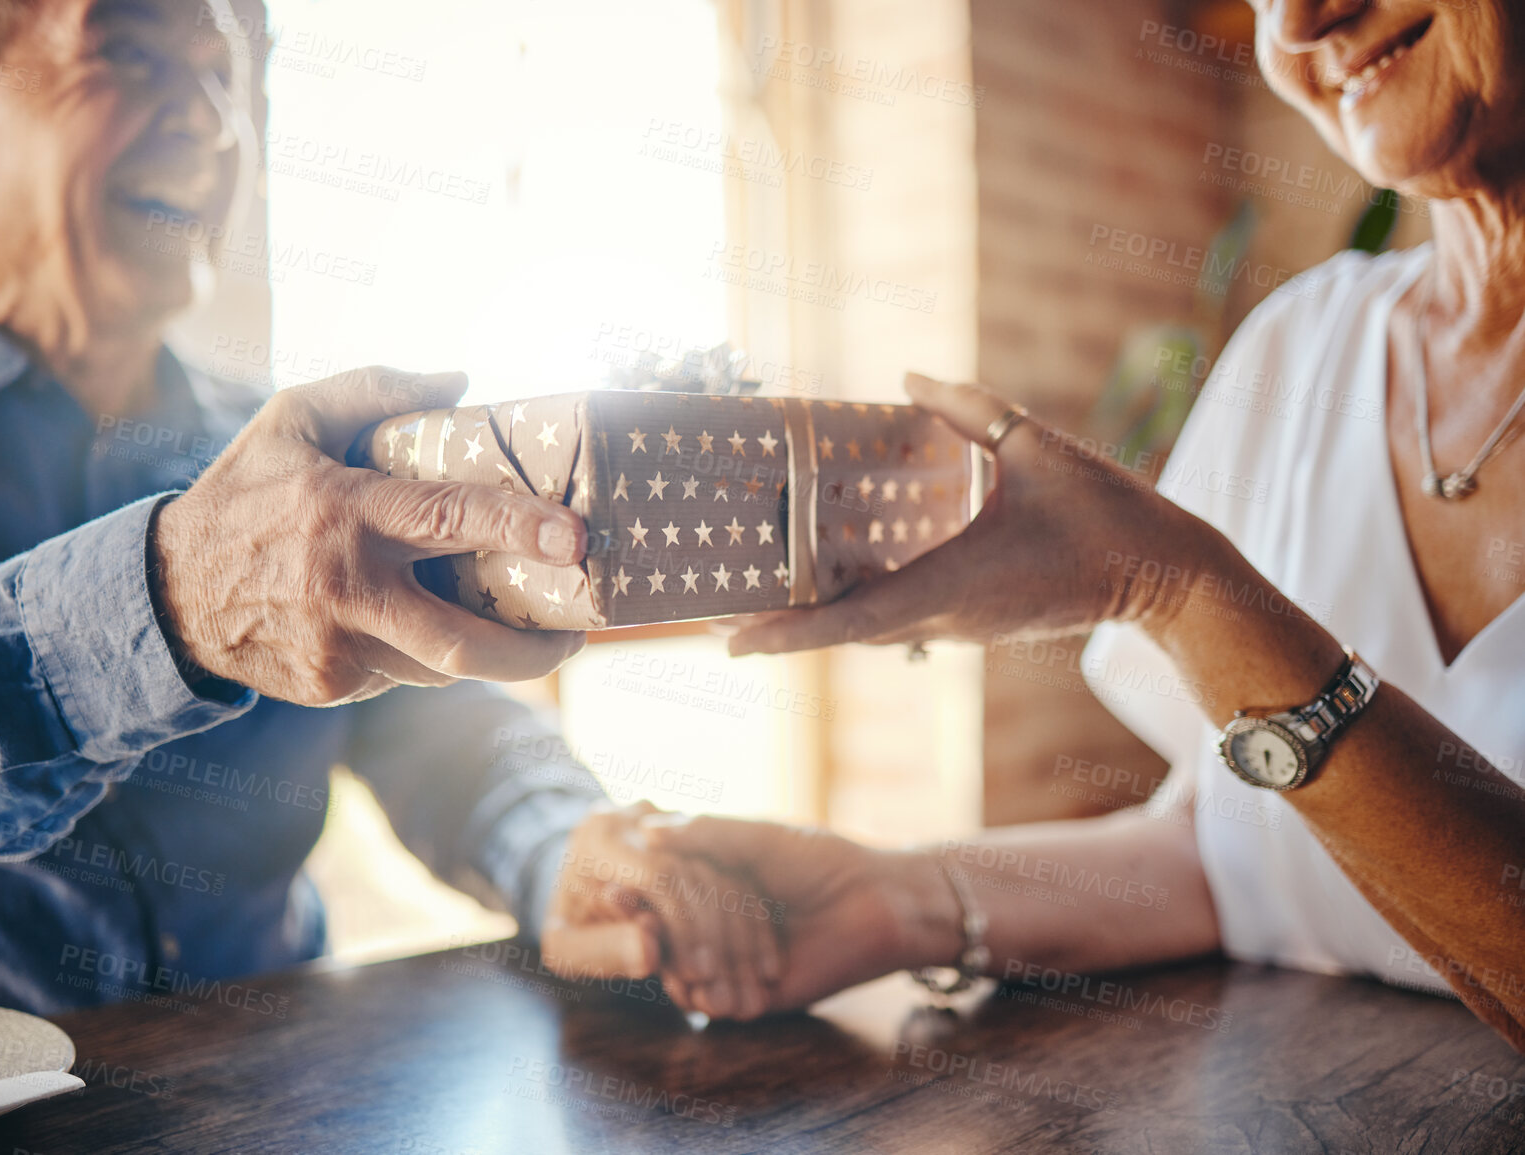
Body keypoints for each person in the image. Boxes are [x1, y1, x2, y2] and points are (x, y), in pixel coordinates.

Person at [0, 0, 777, 1021]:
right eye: (128, 52)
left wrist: (562, 844)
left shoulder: (278, 456)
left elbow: (436, 723)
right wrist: (173, 598)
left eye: (227, 78)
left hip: (277, 1089)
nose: (214, 123)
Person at [633, 0, 1525, 1051]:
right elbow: (1229, 854)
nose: (1305, 22)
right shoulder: (1300, 345)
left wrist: (1175, 587)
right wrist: (890, 898)